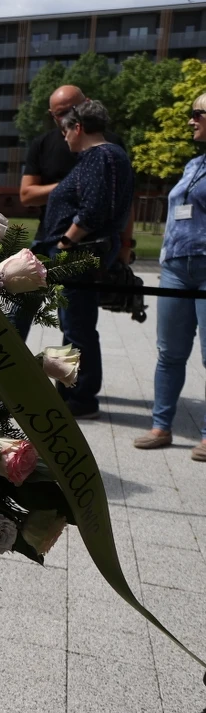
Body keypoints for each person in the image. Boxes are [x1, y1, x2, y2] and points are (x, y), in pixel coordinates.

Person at [34, 100, 133, 419]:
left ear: (78, 128)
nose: (63, 137)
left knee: (77, 327)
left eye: (66, 130)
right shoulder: (110, 155)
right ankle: (70, 391)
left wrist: (65, 242)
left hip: (78, 252)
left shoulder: (98, 156)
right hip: (81, 252)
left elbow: (93, 209)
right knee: (73, 324)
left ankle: (81, 398)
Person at [131, 91, 206, 461]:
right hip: (176, 267)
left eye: (198, 113)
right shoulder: (193, 165)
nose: (191, 120)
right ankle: (161, 426)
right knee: (170, 353)